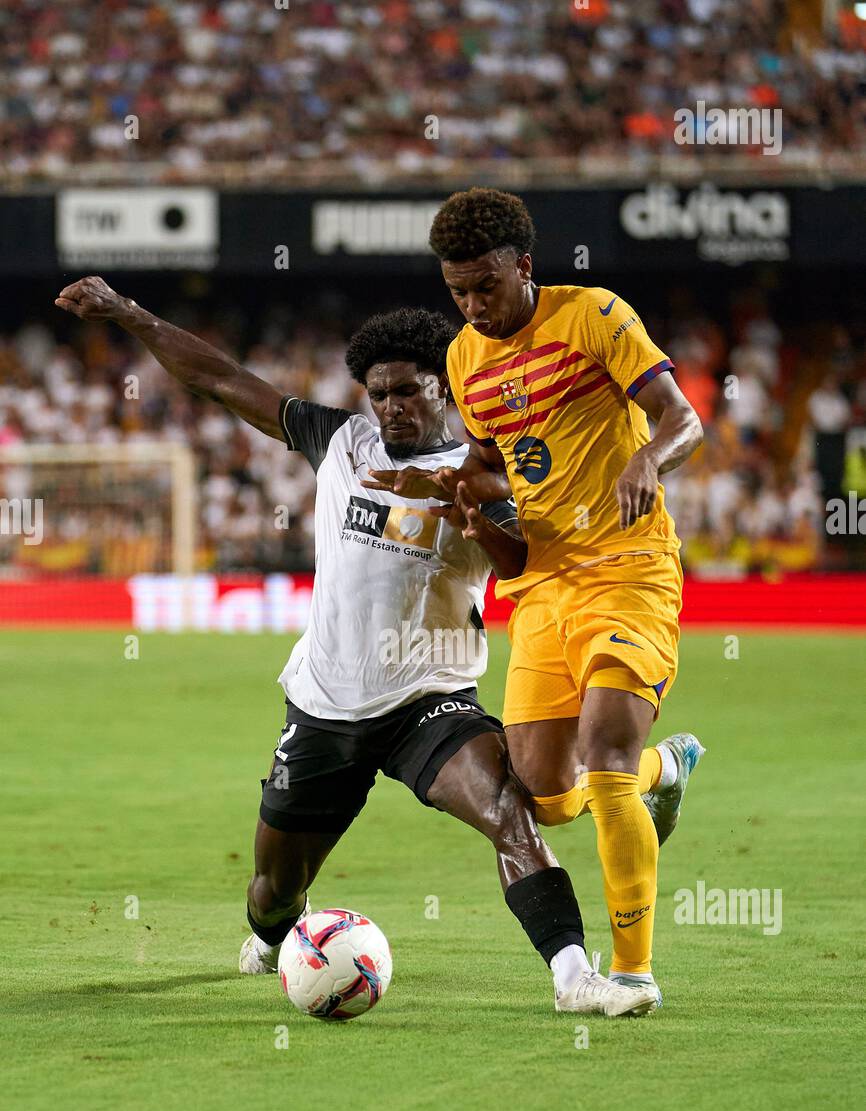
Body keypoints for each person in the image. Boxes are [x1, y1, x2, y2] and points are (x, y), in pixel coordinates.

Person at [53, 276, 658, 1017]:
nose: (391, 408)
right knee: (274, 893)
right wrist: (128, 313)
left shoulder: (485, 471)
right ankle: (274, 938)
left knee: (510, 813)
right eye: (378, 394)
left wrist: (476, 518)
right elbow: (219, 379)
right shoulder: (337, 440)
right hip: (324, 705)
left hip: (430, 702)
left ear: (447, 387)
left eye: (406, 392)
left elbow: (520, 568)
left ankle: (574, 978)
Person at [366, 188, 706, 1009]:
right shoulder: (463, 359)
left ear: (525, 265)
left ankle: (632, 972)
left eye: (486, 286)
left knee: (607, 762)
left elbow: (682, 418)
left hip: (628, 567)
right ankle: (671, 769)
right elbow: (490, 462)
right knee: (548, 796)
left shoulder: (593, 315)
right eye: (458, 292)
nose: (474, 306)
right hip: (544, 582)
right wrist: (451, 487)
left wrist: (649, 459)